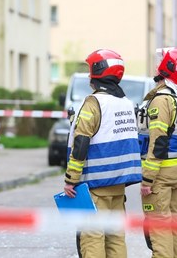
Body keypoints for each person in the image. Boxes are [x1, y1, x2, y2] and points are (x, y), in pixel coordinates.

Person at [63, 49, 142, 258]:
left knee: (93, 237)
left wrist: (71, 179)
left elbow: (81, 142)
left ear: (98, 72)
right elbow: (108, 133)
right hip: (118, 186)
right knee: (116, 238)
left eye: (90, 70)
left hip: (95, 186)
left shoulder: (94, 102)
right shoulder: (125, 103)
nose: (89, 75)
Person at [138, 47, 177, 258]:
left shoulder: (162, 99)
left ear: (168, 68)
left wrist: (147, 179)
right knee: (172, 223)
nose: (157, 64)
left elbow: (159, 141)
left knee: (159, 227)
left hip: (160, 172)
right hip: (176, 168)